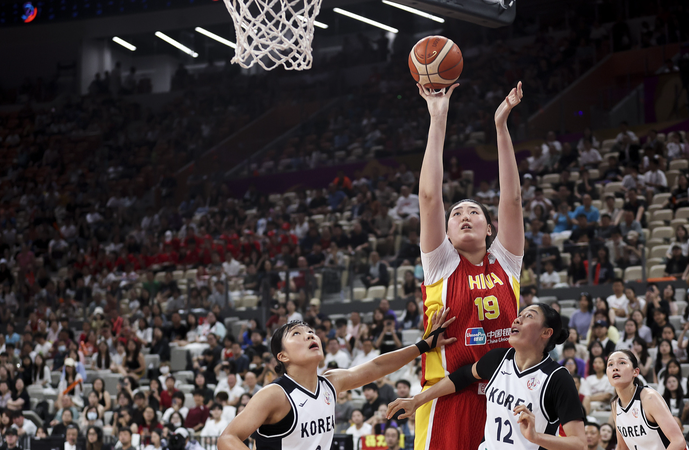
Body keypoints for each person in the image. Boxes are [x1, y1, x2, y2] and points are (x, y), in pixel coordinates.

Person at [409, 82, 526, 450]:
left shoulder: (506, 260)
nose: (463, 216)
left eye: (473, 211)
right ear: (444, 232)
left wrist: (501, 126)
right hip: (447, 399)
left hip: (504, 398)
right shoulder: (441, 263)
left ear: (489, 228)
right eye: (456, 213)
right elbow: (429, 197)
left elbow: (513, 199)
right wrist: (438, 118)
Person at [216, 308, 456, 450]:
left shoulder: (330, 383)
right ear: (283, 356)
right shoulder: (275, 395)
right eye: (296, 334)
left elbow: (377, 366)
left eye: (310, 331)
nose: (309, 334)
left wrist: (424, 345)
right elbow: (227, 438)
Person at [386, 303, 586, 450]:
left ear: (546, 332)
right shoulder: (498, 359)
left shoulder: (558, 378)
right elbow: (461, 377)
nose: (517, 319)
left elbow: (579, 444)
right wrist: (417, 400)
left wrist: (535, 437)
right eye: (520, 315)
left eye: (529, 317)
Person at [606, 350, 687, 450]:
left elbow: (678, 441)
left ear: (635, 372)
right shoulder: (615, 405)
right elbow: (623, 447)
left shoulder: (649, 398)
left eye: (622, 362)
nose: (615, 368)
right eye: (610, 364)